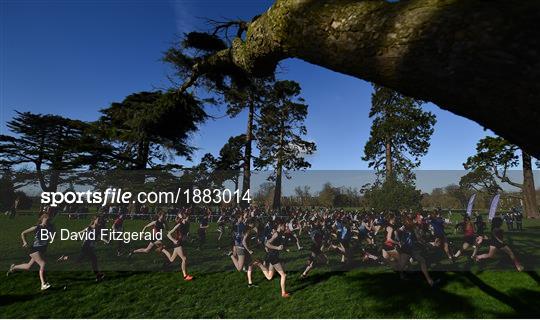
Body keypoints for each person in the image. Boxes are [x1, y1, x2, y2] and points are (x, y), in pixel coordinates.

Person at [7, 213, 54, 290]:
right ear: (43, 219)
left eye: (49, 220)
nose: (48, 221)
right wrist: (25, 242)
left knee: (29, 266)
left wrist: (51, 235)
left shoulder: (49, 228)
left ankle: (13, 267)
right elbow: (23, 233)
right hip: (35, 249)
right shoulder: (36, 227)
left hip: (42, 249)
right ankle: (43, 284)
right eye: (47, 220)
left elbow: (53, 237)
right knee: (43, 264)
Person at [254, 220, 290, 298]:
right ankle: (283, 293)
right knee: (283, 275)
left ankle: (259, 264)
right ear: (280, 225)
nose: (285, 227)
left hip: (272, 255)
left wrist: (284, 249)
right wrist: (277, 248)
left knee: (270, 277)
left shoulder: (279, 234)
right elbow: (267, 244)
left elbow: (277, 245)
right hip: (273, 256)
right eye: (284, 225)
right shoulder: (276, 234)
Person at [161, 213, 193, 281]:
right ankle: (185, 276)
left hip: (181, 243)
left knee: (172, 259)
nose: (189, 218)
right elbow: (168, 234)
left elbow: (185, 235)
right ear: (184, 218)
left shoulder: (187, 224)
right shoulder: (179, 224)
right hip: (177, 244)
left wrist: (189, 239)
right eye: (188, 217)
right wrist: (174, 240)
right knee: (184, 259)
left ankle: (163, 250)